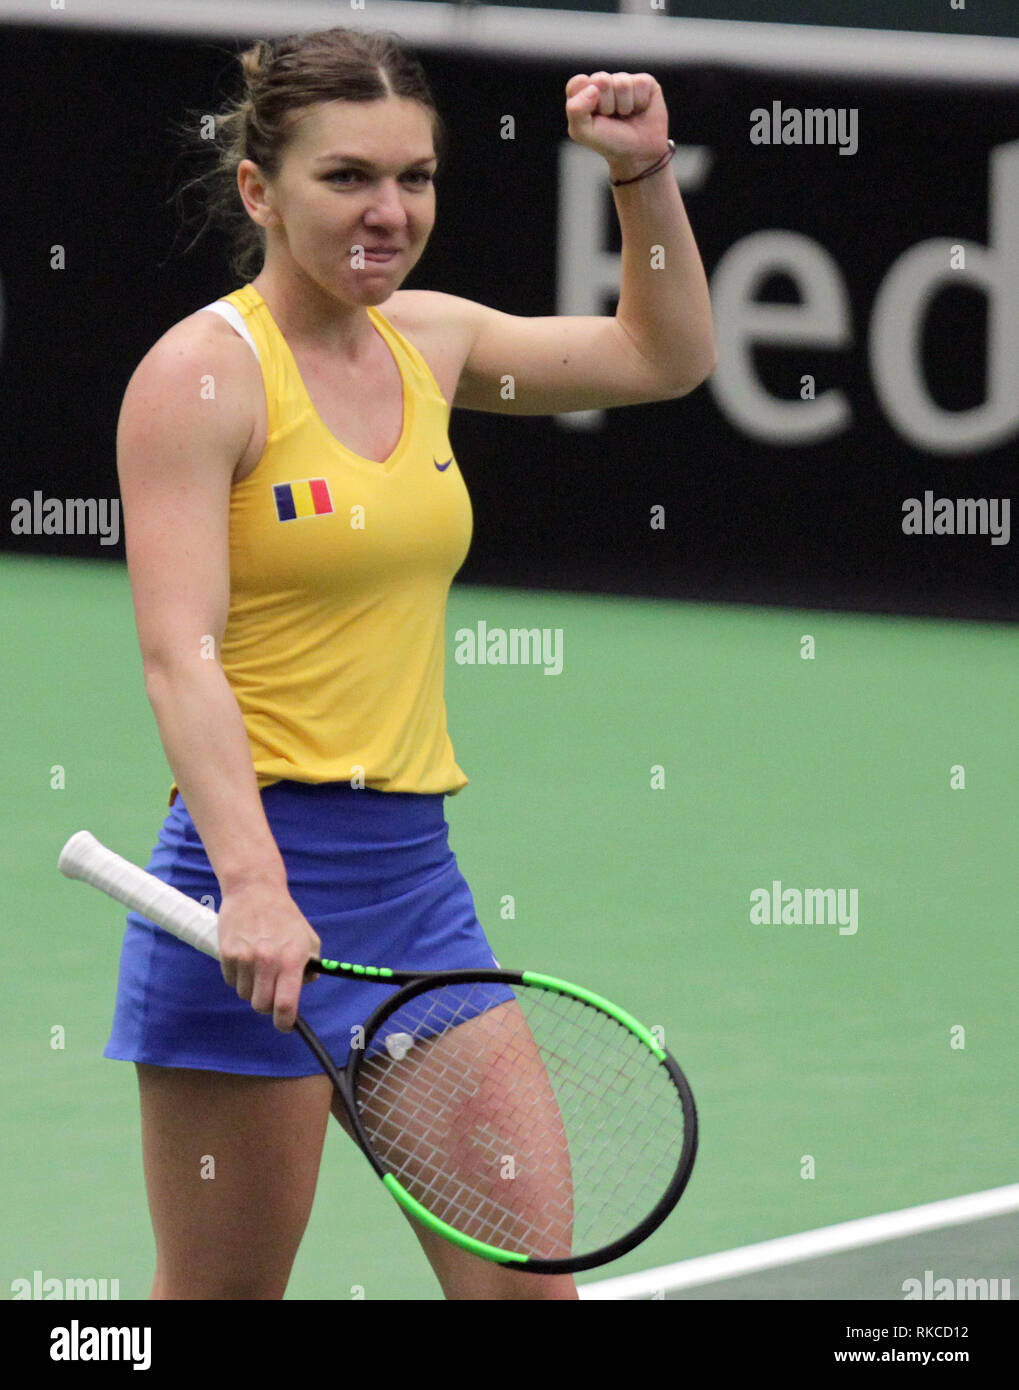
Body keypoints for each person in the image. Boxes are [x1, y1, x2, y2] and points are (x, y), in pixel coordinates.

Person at [105, 25, 716, 1302]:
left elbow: (661, 359)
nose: (388, 212)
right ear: (259, 191)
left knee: (523, 1292)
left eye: (415, 178)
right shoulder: (199, 379)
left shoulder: (428, 343)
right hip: (243, 907)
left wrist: (641, 176)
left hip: (412, 896)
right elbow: (181, 658)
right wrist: (256, 887)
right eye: (346, 180)